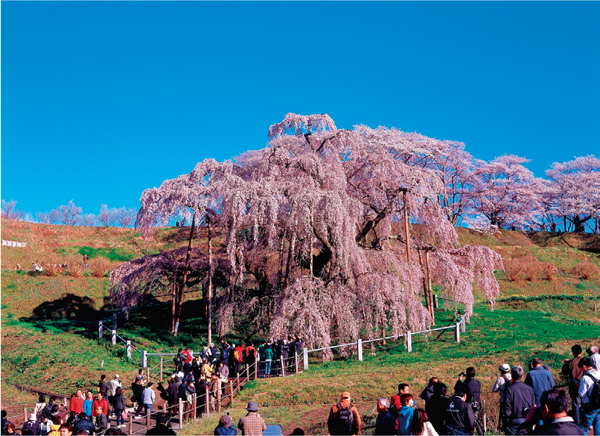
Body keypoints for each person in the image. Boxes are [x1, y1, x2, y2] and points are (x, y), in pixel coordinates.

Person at [503, 366, 535, 435]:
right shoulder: (529, 389)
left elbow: (507, 407)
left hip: (514, 421)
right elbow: (533, 405)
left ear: (512, 376)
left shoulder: (509, 389)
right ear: (522, 376)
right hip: (527, 420)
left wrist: (507, 420)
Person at [562, 344, 584, 425]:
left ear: (573, 353)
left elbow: (564, 372)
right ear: (581, 351)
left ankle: (576, 422)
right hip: (584, 384)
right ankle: (585, 421)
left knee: (575, 404)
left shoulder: (571, 362)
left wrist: (565, 364)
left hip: (574, 385)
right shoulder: (585, 360)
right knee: (585, 403)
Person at [578, 357, 600, 436]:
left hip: (589, 406)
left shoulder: (585, 377)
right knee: (598, 427)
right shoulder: (599, 372)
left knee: (584, 428)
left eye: (581, 368)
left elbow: (582, 394)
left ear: (584, 366)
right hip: (599, 404)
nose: (581, 370)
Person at [493, 364, 512, 430]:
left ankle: (504, 429)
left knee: (504, 417)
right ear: (509, 370)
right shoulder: (513, 377)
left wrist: (500, 389)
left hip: (503, 400)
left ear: (501, 371)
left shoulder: (500, 379)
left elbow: (494, 390)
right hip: (512, 400)